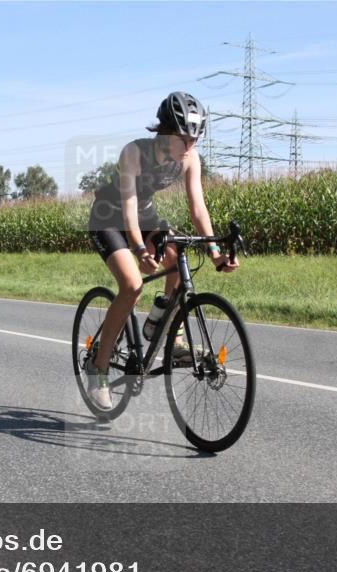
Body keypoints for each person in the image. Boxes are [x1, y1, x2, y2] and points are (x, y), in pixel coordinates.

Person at [85, 92, 239, 411]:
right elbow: (128, 205)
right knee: (132, 285)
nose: (191, 145)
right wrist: (140, 248)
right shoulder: (135, 152)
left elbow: (198, 208)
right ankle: (98, 370)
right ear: (166, 131)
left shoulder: (190, 158)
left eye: (196, 138)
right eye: (185, 137)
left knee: (178, 255)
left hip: (145, 217)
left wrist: (214, 253)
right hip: (109, 218)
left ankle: (166, 329)